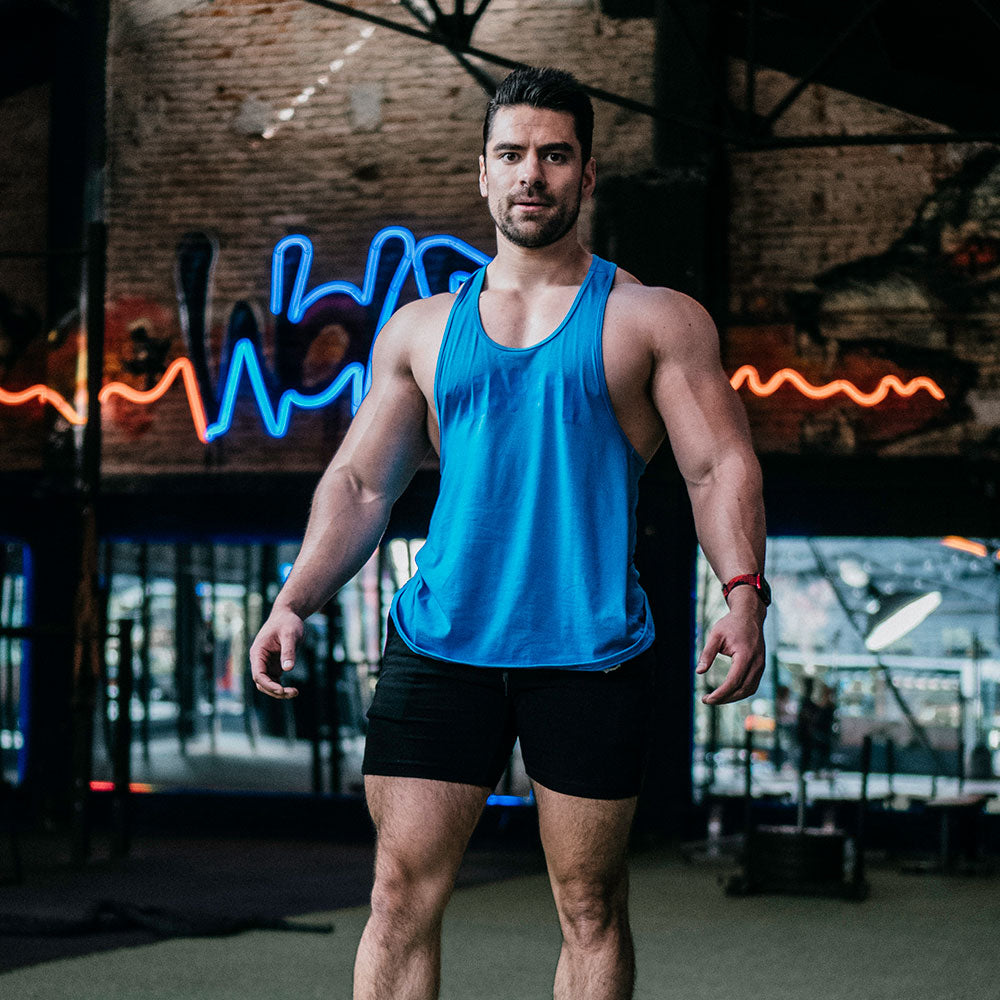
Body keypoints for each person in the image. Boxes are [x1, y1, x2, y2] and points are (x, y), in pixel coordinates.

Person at [250, 66, 768, 1000]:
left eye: (554, 155)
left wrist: (744, 595)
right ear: (483, 176)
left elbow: (716, 467)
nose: (533, 175)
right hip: (440, 644)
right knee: (399, 894)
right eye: (512, 155)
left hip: (588, 648)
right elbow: (364, 481)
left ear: (588, 175)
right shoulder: (419, 329)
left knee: (589, 908)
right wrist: (295, 598)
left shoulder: (651, 320)